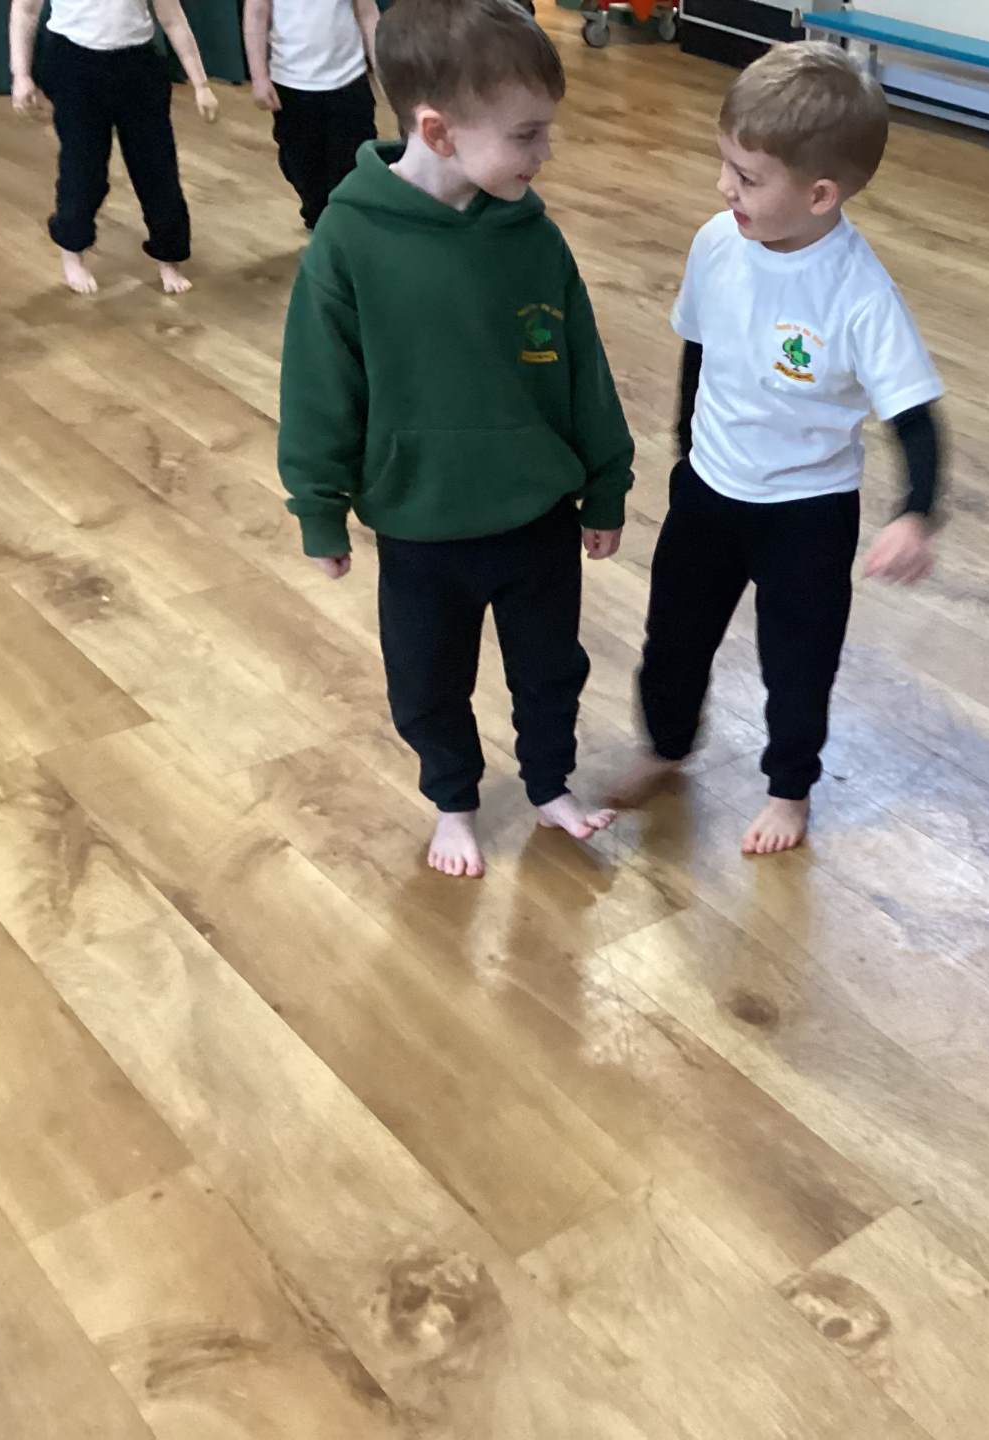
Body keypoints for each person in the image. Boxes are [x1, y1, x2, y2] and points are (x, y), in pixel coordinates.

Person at [277, 0, 633, 879]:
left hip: (537, 518)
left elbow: (583, 371)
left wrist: (606, 484)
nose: (545, 153)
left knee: (551, 669)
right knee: (428, 682)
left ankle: (549, 785)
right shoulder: (349, 241)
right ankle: (454, 802)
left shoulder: (534, 237)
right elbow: (319, 388)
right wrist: (318, 508)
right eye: (526, 135)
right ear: (437, 131)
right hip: (421, 528)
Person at [608, 41, 945, 856]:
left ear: (821, 194)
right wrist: (687, 447)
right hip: (708, 491)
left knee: (798, 664)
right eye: (725, 164)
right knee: (673, 638)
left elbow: (914, 415)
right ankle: (665, 746)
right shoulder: (716, 243)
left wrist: (916, 513)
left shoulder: (860, 295)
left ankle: (789, 789)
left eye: (748, 177)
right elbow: (697, 346)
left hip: (807, 513)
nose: (725, 187)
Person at [8, 0, 219, 295]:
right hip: (74, 66)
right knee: (83, 171)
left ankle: (168, 255)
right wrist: (21, 75)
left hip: (138, 67)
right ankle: (72, 249)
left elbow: (172, 17)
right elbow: (25, 11)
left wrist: (201, 84)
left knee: (157, 169)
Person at [243, 0, 381, 230]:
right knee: (302, 164)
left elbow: (367, 13)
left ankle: (348, 226)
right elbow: (256, 15)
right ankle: (319, 219)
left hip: (349, 79)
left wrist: (383, 70)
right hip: (292, 83)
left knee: (353, 162)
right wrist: (259, 78)